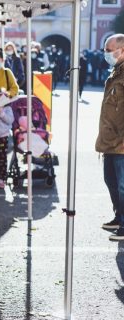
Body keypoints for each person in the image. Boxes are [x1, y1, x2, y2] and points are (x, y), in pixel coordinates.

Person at [95, 33, 124, 241]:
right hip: (109, 142)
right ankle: (119, 216)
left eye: (109, 49)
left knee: (123, 185)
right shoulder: (116, 73)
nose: (106, 53)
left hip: (122, 143)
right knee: (111, 181)